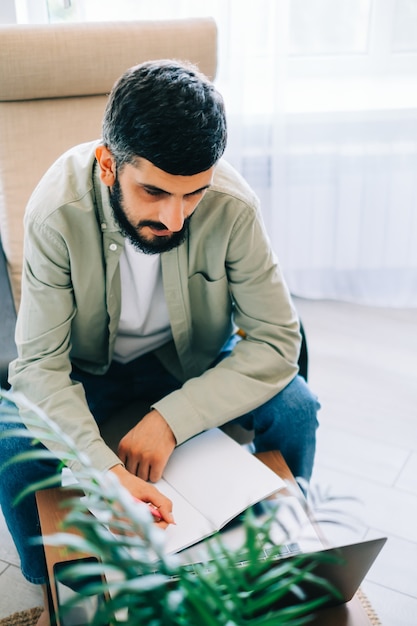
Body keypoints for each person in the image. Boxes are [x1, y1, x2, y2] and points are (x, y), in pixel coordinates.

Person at [0, 59, 319, 625]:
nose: (174, 218)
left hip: (192, 364)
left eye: (193, 194)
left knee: (296, 407)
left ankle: (282, 547)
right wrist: (108, 473)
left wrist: (170, 419)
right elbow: (39, 368)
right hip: (88, 373)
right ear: (107, 164)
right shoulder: (54, 211)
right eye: (153, 192)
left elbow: (276, 341)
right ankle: (54, 589)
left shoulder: (234, 206)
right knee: (8, 442)